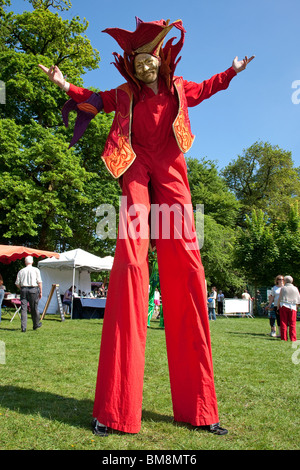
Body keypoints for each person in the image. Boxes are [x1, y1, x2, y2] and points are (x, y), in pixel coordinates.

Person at [39, 17, 254, 437]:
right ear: (131, 66)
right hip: (136, 171)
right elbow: (95, 100)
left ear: (159, 59)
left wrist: (232, 70)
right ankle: (114, 409)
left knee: (187, 266)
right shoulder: (124, 95)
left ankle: (201, 409)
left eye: (148, 60)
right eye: (137, 62)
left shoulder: (178, 88)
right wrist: (65, 85)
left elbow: (208, 88)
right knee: (132, 266)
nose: (144, 67)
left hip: (172, 171)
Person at [15, 256, 43, 332]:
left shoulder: (21, 271)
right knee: (34, 308)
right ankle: (35, 324)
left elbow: (17, 283)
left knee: (24, 309)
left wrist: (21, 289)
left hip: (24, 289)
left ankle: (23, 327)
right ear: (32, 262)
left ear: (25, 262)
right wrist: (41, 291)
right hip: (33, 289)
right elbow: (39, 282)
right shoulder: (36, 270)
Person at [278, 275, 300, 342]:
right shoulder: (295, 288)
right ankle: (293, 338)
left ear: (285, 281)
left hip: (284, 305)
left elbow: (280, 298)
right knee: (292, 323)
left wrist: (278, 306)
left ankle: (284, 337)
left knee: (283, 322)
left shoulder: (283, 288)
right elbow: (298, 298)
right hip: (293, 306)